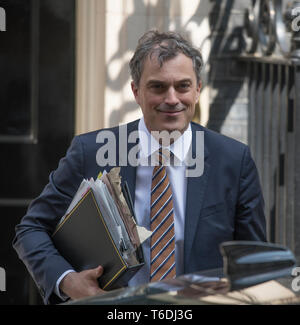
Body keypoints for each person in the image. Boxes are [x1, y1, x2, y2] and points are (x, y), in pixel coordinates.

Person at [13, 30, 266, 304]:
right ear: (136, 91)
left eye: (182, 86)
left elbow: (253, 260)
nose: (172, 99)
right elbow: (31, 229)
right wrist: (67, 281)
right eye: (158, 87)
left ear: (198, 89)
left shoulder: (233, 160)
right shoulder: (92, 152)